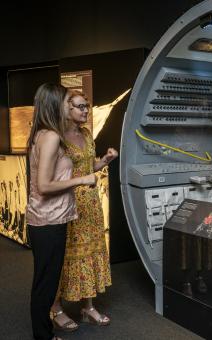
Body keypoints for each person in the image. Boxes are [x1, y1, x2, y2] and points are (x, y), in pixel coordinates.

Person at [26, 83, 97, 340]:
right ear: (55, 104)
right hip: (48, 221)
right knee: (45, 286)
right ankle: (43, 336)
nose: (71, 106)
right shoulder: (52, 136)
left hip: (51, 219)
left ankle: (43, 334)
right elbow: (44, 186)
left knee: (45, 283)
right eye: (68, 102)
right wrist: (81, 180)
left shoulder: (44, 133)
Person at [51, 90, 118, 330]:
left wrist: (106, 160)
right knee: (65, 255)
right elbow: (53, 176)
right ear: (66, 110)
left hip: (91, 204)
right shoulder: (56, 137)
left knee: (91, 252)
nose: (86, 110)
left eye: (87, 106)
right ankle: (56, 307)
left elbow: (91, 167)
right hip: (68, 203)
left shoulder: (87, 134)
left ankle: (87, 307)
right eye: (80, 106)